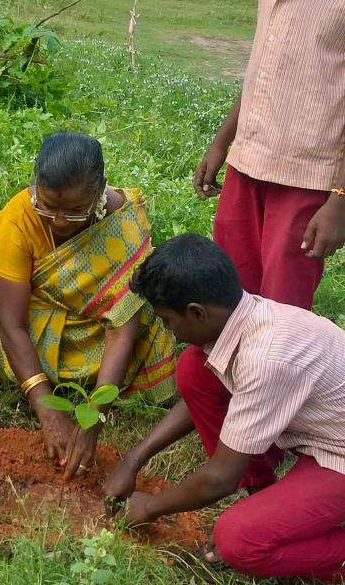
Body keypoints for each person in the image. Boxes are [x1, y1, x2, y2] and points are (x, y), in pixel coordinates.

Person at [0, 131, 176, 479]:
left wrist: (95, 418)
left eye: (75, 210)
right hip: (30, 319)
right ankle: (26, 374)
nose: (60, 221)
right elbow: (11, 324)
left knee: (144, 313)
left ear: (100, 192)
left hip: (92, 334)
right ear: (35, 186)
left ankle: (68, 374)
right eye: (48, 208)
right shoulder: (17, 217)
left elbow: (121, 332)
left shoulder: (122, 222)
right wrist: (47, 410)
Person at [104, 234, 345, 582]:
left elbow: (218, 480)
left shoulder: (265, 358)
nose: (168, 332)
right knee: (193, 368)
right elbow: (195, 400)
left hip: (337, 455)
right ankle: (264, 498)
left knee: (239, 541)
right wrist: (132, 460)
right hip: (324, 435)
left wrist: (149, 507)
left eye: (167, 321)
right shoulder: (245, 317)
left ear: (197, 313)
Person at [193, 0, 345, 310]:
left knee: (280, 310)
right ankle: (232, 381)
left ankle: (277, 384)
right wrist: (223, 143)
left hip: (308, 177)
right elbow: (265, 63)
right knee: (231, 295)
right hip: (248, 162)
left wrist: (340, 198)